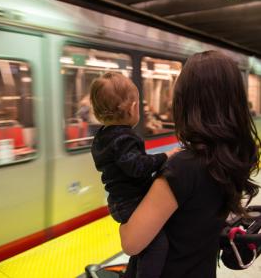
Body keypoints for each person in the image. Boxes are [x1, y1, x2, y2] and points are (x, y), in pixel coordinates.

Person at [119, 50, 260, 278]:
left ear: (186, 101)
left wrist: (123, 219)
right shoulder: (232, 156)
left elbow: (131, 242)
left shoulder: (184, 167)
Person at [90, 72, 179, 278]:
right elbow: (137, 167)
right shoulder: (124, 138)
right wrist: (165, 156)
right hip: (131, 202)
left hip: (119, 202)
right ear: (132, 108)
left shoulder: (102, 137)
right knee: (157, 245)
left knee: (143, 244)